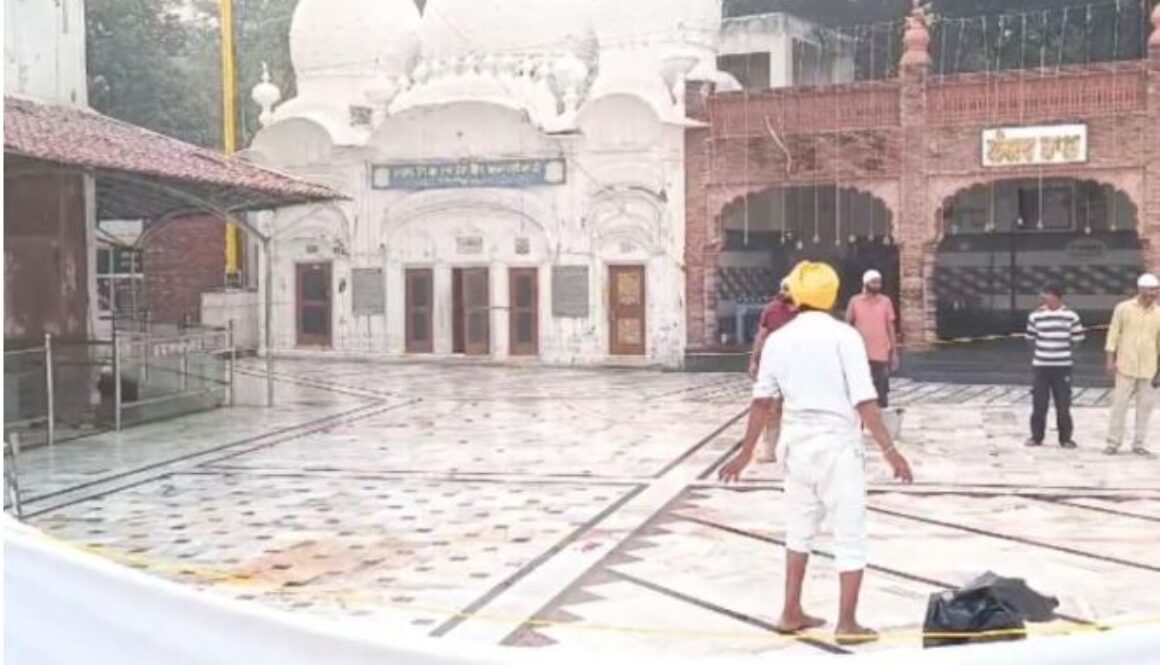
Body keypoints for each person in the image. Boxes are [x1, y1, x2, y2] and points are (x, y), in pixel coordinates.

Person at [720, 261, 913, 645]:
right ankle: (847, 622)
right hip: (837, 448)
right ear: (832, 294)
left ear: (796, 295)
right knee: (849, 533)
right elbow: (865, 400)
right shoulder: (844, 337)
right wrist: (890, 450)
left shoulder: (778, 340)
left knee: (798, 531)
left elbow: (762, 403)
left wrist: (746, 454)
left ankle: (790, 610)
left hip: (795, 446)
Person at [1104, 273, 1160, 456]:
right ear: (1140, 290)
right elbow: (1113, 335)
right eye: (1149, 291)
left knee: (1145, 408)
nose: (1152, 295)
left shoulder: (1158, 313)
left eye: (1155, 291)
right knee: (1119, 406)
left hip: (1149, 367)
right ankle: (1113, 442)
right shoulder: (1123, 308)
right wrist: (1110, 360)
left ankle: (1139, 443)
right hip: (1125, 365)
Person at [1024, 282, 1084, 449]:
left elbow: (1078, 339)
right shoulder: (1036, 315)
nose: (1044, 297)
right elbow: (1030, 338)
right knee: (1039, 403)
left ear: (1056, 296)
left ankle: (1065, 438)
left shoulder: (1071, 316)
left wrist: (1066, 353)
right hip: (1041, 366)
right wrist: (1042, 352)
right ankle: (1036, 437)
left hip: (1062, 366)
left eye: (1047, 294)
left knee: (1063, 404)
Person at [749, 278, 798, 462]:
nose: (786, 292)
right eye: (784, 289)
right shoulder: (771, 310)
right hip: (774, 366)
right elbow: (761, 336)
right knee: (772, 409)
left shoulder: (804, 312)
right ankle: (769, 449)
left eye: (790, 289)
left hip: (798, 367)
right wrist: (754, 360)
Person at [845, 270, 899, 408]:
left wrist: (894, 352)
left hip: (881, 353)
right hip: (860, 353)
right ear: (866, 283)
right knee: (861, 390)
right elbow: (847, 326)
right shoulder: (855, 302)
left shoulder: (885, 302)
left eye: (879, 282)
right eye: (874, 282)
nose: (877, 285)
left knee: (881, 390)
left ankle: (881, 416)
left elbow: (890, 327)